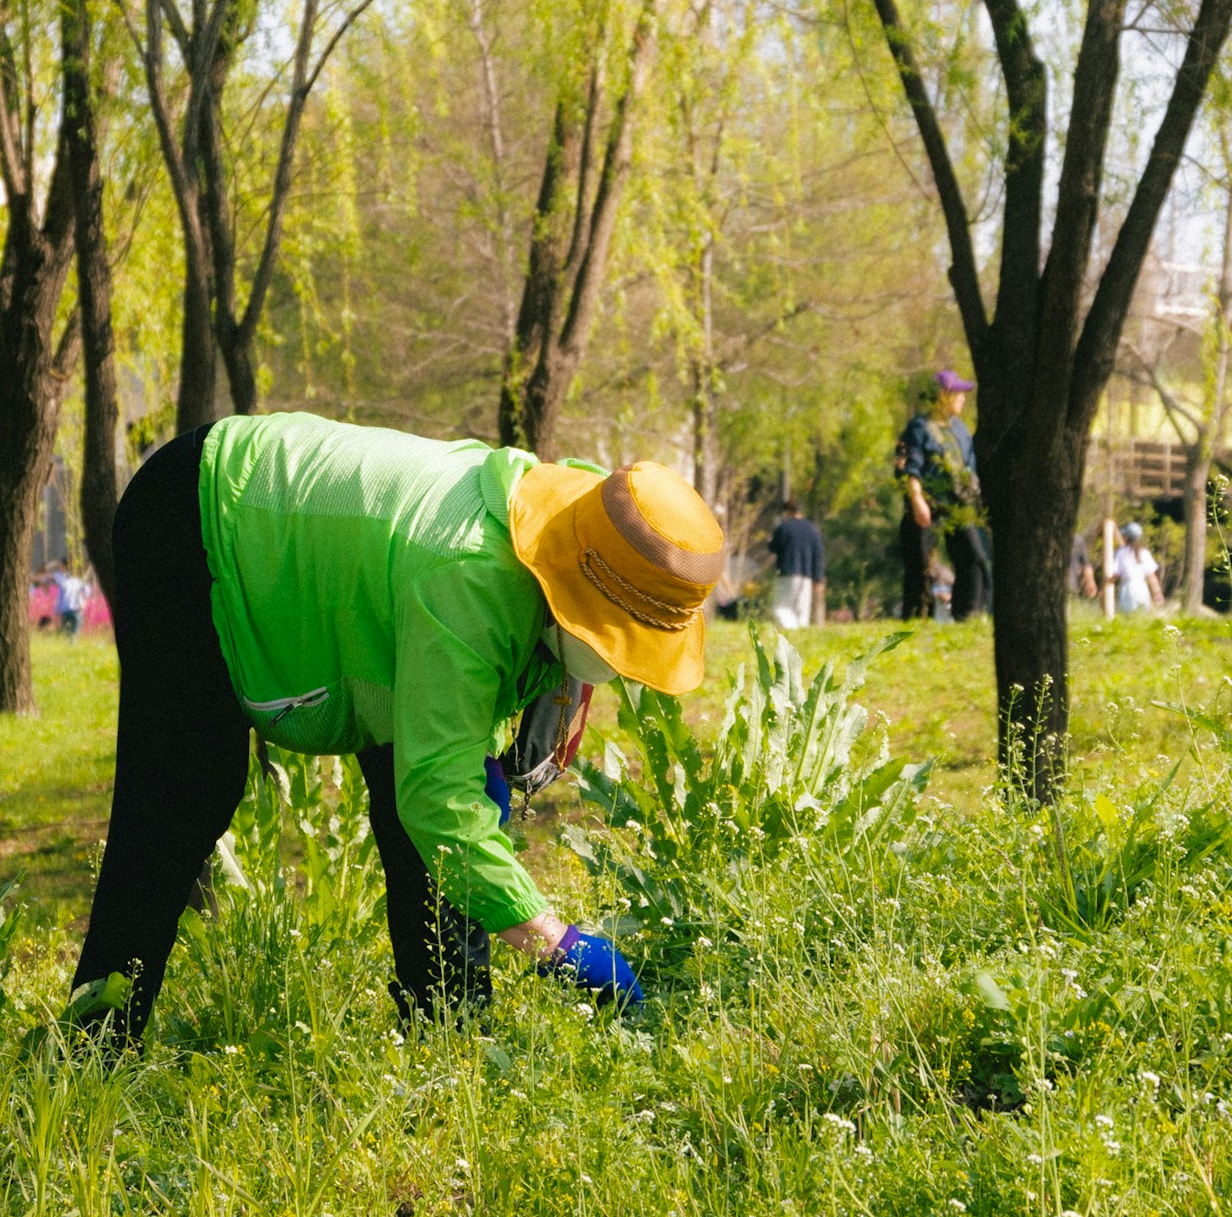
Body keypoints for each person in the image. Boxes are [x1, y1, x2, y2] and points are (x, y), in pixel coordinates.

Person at [71, 414, 727, 1040]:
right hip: (202, 514)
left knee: (431, 826)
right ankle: (93, 1045)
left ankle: (451, 1042)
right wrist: (556, 943)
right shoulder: (468, 581)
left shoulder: (582, 518)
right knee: (184, 791)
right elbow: (437, 800)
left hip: (364, 580)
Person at [894, 370, 992, 619]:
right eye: (957, 393)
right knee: (919, 567)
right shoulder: (919, 428)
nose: (963, 399)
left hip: (956, 506)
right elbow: (908, 467)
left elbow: (970, 469)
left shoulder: (960, 430)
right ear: (942, 395)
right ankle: (916, 619)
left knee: (973, 559)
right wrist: (917, 501)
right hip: (927, 505)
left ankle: (967, 616)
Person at [766, 499, 825, 629]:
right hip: (807, 575)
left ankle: (792, 631)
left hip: (787, 573)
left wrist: (770, 539)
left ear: (787, 511)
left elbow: (773, 547)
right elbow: (818, 555)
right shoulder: (812, 529)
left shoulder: (784, 527)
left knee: (781, 607)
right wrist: (818, 578)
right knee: (802, 610)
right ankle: (802, 633)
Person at [1111, 521, 1164, 614]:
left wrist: (1105, 587)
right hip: (1142, 589)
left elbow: (1115, 574)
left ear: (1127, 537)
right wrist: (1157, 592)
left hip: (1127, 589)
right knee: (1141, 616)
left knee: (1127, 618)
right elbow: (1151, 577)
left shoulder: (1121, 553)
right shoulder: (1145, 553)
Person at [53, 561, 90, 638]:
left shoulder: (79, 581)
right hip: (66, 611)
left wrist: (83, 604)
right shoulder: (63, 580)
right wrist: (57, 610)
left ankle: (72, 648)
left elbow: (87, 593)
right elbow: (61, 597)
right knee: (67, 634)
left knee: (72, 634)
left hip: (75, 610)